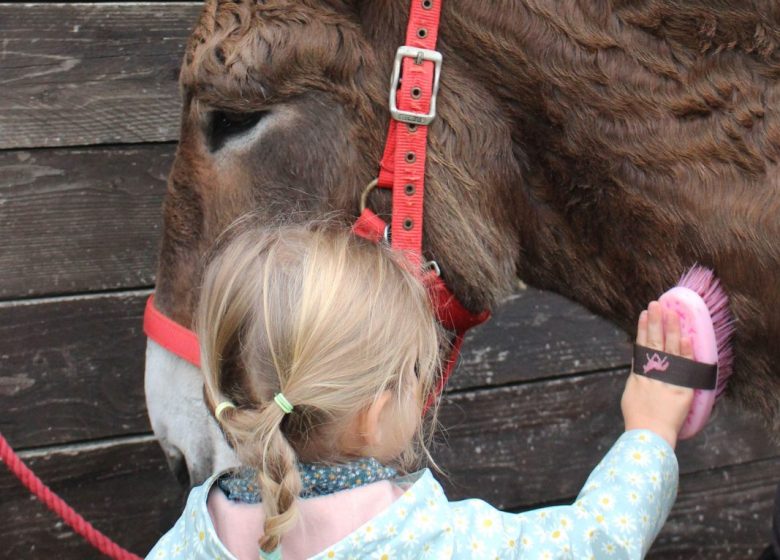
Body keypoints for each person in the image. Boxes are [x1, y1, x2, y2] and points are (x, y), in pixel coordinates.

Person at [146, 221, 695, 560]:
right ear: (373, 414)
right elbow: (593, 545)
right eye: (413, 370)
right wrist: (649, 433)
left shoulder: (188, 542)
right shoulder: (433, 542)